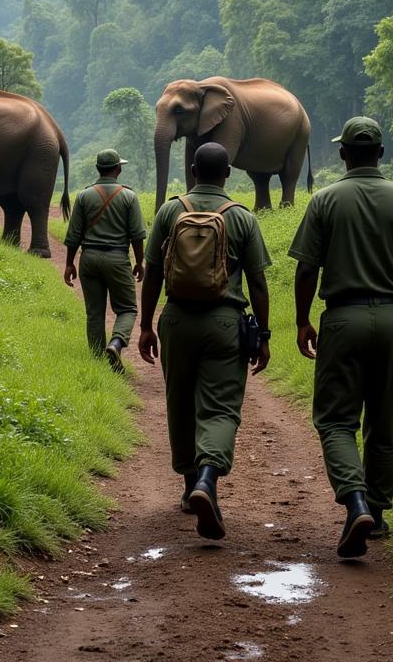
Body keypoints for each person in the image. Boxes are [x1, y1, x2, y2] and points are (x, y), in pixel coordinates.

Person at [288, 116, 393, 560]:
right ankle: (375, 513)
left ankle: (353, 500)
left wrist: (302, 320)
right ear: (380, 152)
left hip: (343, 318)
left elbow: (306, 268)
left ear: (342, 154)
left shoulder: (325, 201)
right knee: (384, 418)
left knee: (336, 420)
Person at [138, 142, 271, 540]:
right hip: (224, 323)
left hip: (177, 320)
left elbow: (152, 271)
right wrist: (262, 334)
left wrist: (145, 325)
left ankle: (188, 485)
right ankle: (208, 481)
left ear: (193, 170)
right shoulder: (242, 218)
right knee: (220, 408)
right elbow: (259, 282)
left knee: (180, 401)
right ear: (228, 173)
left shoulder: (170, 211)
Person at [64, 149, 146, 371]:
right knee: (127, 308)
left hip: (88, 258)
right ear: (118, 169)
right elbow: (137, 235)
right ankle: (116, 343)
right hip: (117, 258)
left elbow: (73, 235)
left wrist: (69, 263)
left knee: (94, 313)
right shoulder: (128, 196)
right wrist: (140, 262)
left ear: (98, 169)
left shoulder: (83, 196)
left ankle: (99, 363)